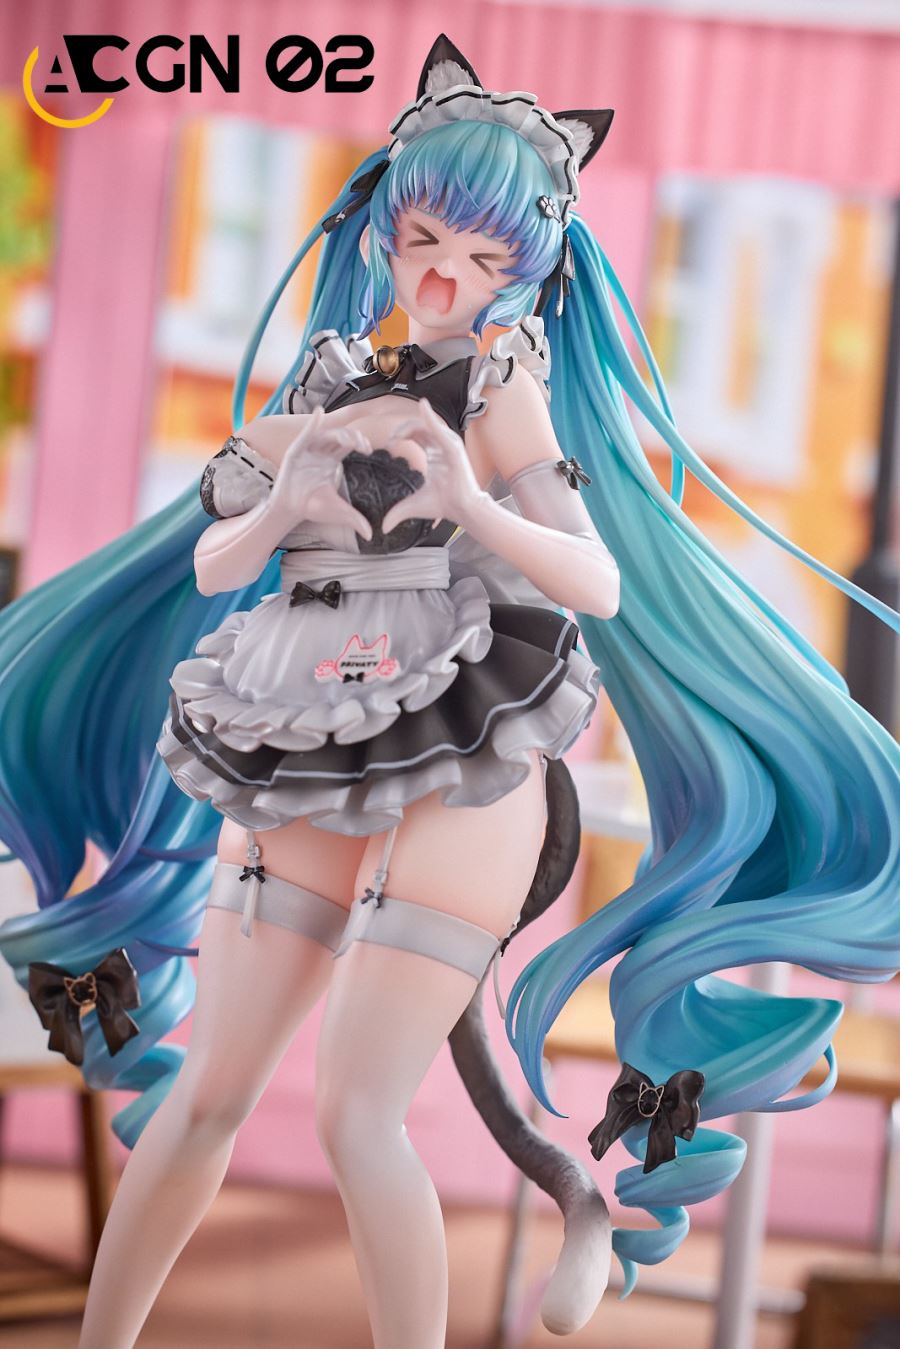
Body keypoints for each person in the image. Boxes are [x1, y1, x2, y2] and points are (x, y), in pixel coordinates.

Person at [1, 33, 898, 1349]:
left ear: (525, 269)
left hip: (469, 736)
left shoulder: (503, 390)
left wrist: (471, 496)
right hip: (305, 723)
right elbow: (214, 560)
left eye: (480, 259)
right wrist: (284, 498)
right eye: (423, 239)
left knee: (356, 1113)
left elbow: (594, 582)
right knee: (207, 1097)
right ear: (384, 229)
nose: (441, 277)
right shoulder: (327, 384)